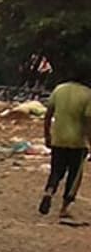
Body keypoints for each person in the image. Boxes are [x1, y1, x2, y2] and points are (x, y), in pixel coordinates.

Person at [40, 75, 91, 223]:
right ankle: (64, 208)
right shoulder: (87, 94)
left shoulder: (59, 89)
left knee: (56, 170)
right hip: (77, 143)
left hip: (58, 139)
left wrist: (47, 135)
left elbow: (48, 115)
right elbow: (88, 123)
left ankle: (49, 191)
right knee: (74, 176)